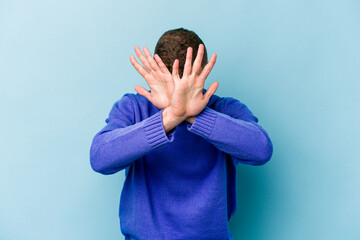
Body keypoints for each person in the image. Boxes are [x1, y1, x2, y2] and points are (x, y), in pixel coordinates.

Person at [89, 27, 273, 240]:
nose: (180, 89)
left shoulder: (225, 109)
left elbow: (261, 149)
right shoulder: (132, 107)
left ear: (203, 71)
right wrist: (170, 116)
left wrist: (194, 116)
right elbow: (100, 158)